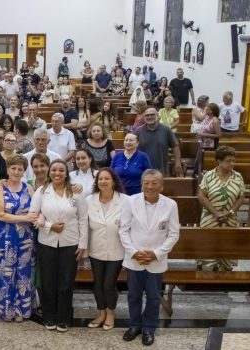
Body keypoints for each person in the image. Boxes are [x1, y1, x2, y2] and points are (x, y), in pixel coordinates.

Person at [119, 170, 180, 346]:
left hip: (156, 259)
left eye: (154, 183)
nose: (150, 186)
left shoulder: (170, 205)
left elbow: (173, 234)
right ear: (141, 183)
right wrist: (134, 252)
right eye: (146, 182)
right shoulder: (131, 201)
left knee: (154, 296)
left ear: (161, 186)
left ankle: (149, 328)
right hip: (134, 258)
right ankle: (135, 325)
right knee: (134, 295)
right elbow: (123, 230)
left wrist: (156, 253)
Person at [30, 159, 88, 331]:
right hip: (46, 242)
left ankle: (64, 318)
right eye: (54, 170)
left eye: (61, 170)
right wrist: (49, 226)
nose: (57, 173)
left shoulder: (76, 193)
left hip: (71, 242)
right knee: (48, 281)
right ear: (49, 172)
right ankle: (49, 317)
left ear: (66, 173)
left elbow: (83, 219)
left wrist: (83, 244)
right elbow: (33, 216)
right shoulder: (42, 191)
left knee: (66, 282)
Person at [0, 154, 38, 322]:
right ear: (8, 169)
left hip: (26, 238)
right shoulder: (0, 189)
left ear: (24, 171)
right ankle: (6, 311)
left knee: (24, 274)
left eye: (20, 169)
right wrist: (25, 218)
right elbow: (0, 214)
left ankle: (22, 311)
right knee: (5, 273)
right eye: (13, 168)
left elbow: (36, 211)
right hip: (5, 238)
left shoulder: (29, 188)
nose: (17, 172)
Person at [86, 168, 127, 331]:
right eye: (100, 179)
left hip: (117, 249)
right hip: (96, 248)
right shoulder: (89, 200)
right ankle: (101, 312)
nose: (103, 181)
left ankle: (110, 312)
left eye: (107, 178)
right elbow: (84, 224)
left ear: (114, 181)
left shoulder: (125, 200)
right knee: (98, 283)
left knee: (109, 284)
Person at [197, 146, 244, 271]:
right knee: (209, 246)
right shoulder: (209, 175)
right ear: (219, 161)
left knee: (228, 247)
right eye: (229, 160)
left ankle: (225, 277)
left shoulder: (238, 176)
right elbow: (201, 196)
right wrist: (215, 213)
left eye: (234, 160)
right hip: (210, 218)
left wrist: (231, 212)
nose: (232, 163)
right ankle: (207, 274)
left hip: (230, 218)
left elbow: (241, 197)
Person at [135, 107, 184, 177]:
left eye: (152, 114)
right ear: (144, 117)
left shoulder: (166, 130)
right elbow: (132, 148)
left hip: (162, 169)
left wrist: (178, 163)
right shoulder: (138, 131)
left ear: (158, 116)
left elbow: (175, 146)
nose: (149, 117)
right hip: (143, 169)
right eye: (147, 115)